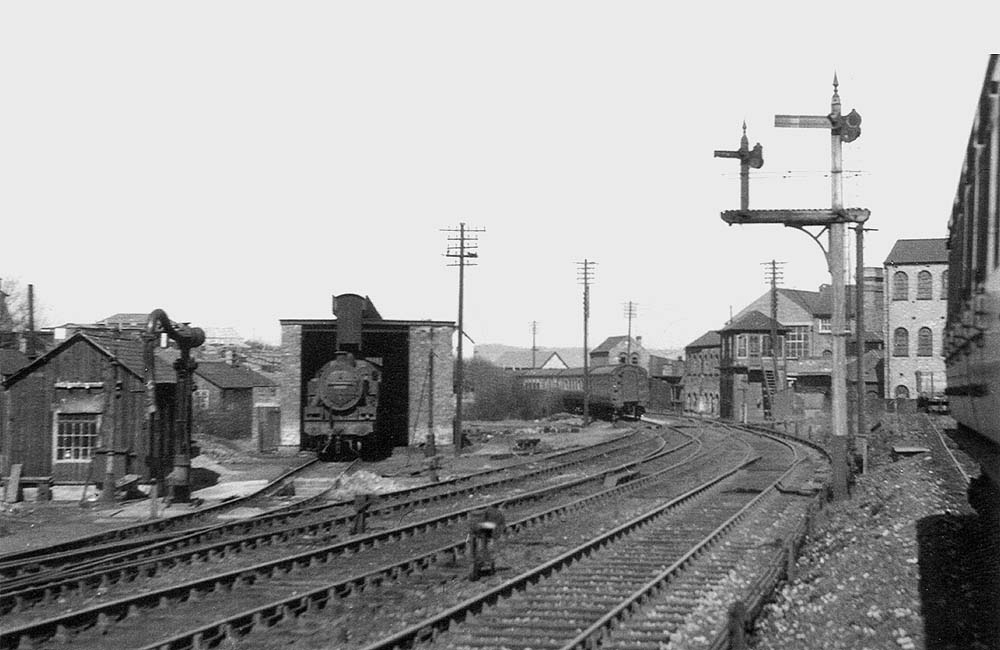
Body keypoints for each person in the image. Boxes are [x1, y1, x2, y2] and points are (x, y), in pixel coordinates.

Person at [467, 506, 506, 580]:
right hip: (483, 531)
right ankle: (484, 562)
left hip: (474, 531)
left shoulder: (474, 517)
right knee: (484, 548)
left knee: (474, 550)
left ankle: (478, 563)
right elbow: (495, 528)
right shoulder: (495, 516)